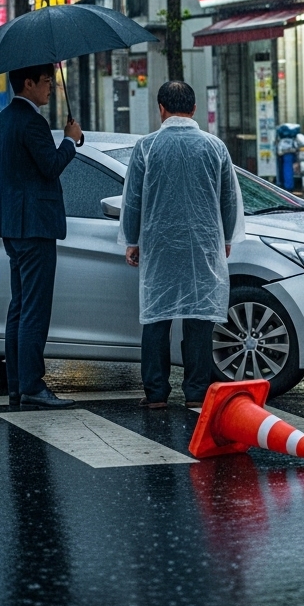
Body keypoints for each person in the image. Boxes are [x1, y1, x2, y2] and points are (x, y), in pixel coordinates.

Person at [121, 81, 242, 409]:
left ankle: (157, 393)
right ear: (194, 108)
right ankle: (196, 392)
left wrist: (132, 241)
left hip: (159, 245)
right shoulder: (215, 147)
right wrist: (227, 238)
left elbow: (133, 199)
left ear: (161, 109)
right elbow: (228, 199)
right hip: (203, 244)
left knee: (157, 317)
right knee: (199, 318)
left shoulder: (146, 147)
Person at [0, 63, 84, 409]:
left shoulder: (1, 121)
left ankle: (16, 383)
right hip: (35, 226)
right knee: (34, 309)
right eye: (46, 82)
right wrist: (71, 141)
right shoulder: (32, 122)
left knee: (19, 306)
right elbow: (50, 166)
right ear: (27, 83)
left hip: (12, 225)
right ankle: (32, 383)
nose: (50, 88)